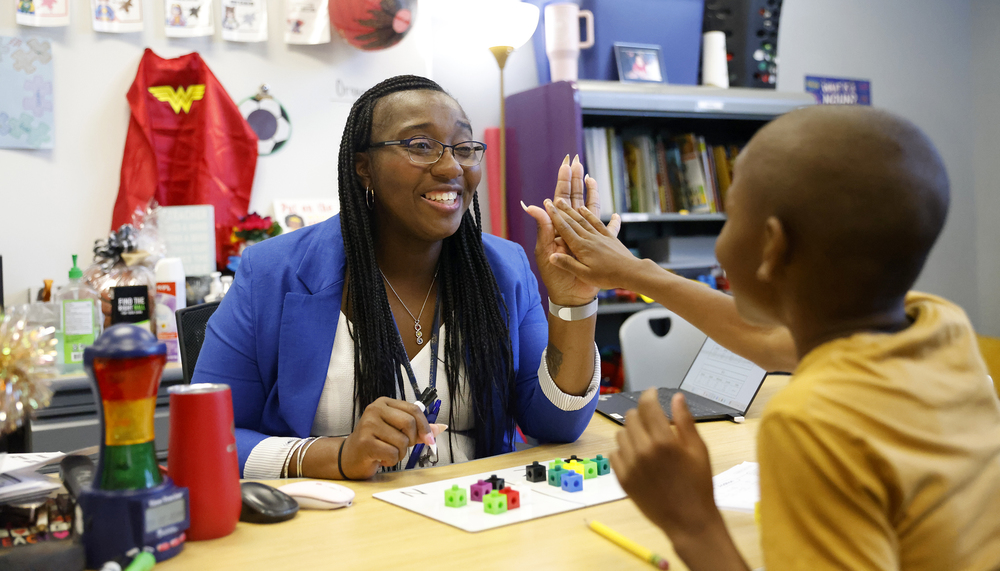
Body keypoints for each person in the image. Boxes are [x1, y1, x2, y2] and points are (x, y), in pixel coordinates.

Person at [541, 105, 1000, 570]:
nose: (719, 244)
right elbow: (765, 335)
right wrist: (634, 270)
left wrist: (690, 519)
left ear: (773, 246)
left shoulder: (810, 421)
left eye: (732, 215)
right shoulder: (939, 326)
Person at [193, 75, 607, 481]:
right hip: (336, 532)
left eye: (464, 148)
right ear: (363, 168)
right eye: (420, 146)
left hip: (475, 518)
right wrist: (336, 455)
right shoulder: (272, 272)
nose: (451, 167)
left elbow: (556, 427)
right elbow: (206, 440)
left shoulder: (504, 266)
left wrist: (574, 302)